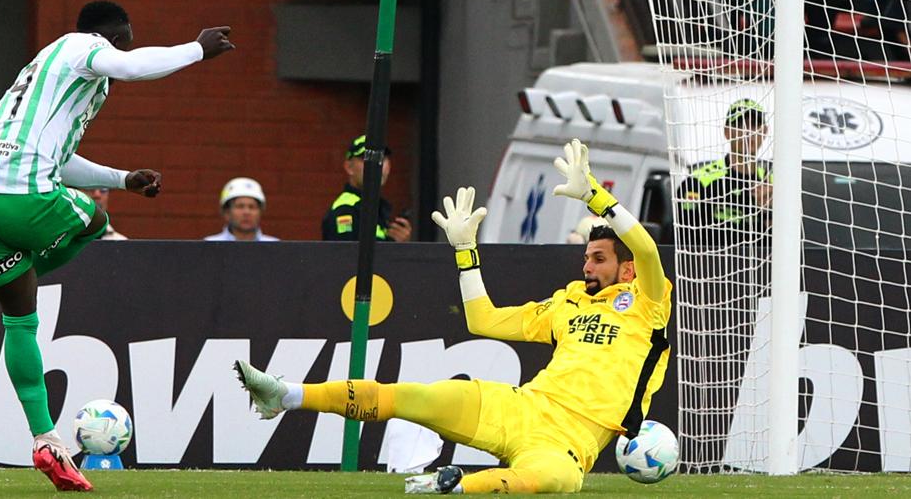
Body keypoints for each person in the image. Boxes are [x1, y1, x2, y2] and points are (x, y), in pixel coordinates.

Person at [238, 138, 671, 494]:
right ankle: (285, 395)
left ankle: (455, 486)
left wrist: (596, 197)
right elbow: (482, 320)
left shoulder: (648, 303)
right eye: (586, 257)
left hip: (570, 440)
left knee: (556, 481)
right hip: (520, 407)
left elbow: (649, 248)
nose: (586, 266)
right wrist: (466, 252)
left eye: (598, 258)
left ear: (627, 269)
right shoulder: (567, 303)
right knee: (414, 398)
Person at [0, 0, 234, 492]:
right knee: (96, 218)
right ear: (117, 32)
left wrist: (124, 178)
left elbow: (60, 161)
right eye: (127, 36)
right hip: (22, 196)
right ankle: (10, 275)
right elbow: (130, 67)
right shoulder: (82, 48)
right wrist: (197, 48)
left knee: (21, 319)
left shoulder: (48, 70)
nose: (127, 45)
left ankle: (46, 439)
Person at [675, 98, 772, 243]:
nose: (748, 132)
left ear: (764, 132)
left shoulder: (773, 185)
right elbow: (684, 240)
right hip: (711, 264)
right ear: (727, 132)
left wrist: (768, 211)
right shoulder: (698, 182)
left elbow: (793, 247)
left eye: (754, 125)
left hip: (761, 264)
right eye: (740, 124)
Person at [321, 134, 411, 242]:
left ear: (389, 167)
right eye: (366, 158)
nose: (377, 164)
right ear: (349, 167)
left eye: (382, 158)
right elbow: (347, 256)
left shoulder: (376, 208)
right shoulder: (345, 210)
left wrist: (398, 245)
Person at [204, 177, 278, 241]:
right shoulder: (209, 245)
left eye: (252, 207)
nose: (246, 212)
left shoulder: (276, 247)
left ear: (260, 212)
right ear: (227, 212)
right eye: (240, 206)